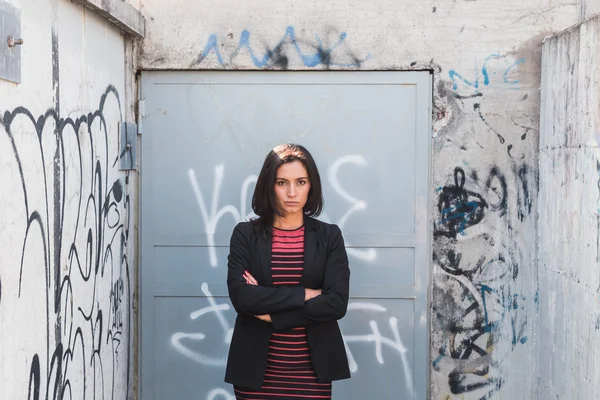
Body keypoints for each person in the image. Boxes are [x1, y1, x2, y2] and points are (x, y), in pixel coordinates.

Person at [224, 143, 351, 399]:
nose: (292, 192)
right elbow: (242, 297)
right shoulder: (245, 235)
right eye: (282, 182)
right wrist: (306, 294)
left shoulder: (329, 236)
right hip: (256, 372)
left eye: (300, 182)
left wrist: (274, 316)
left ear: (311, 185)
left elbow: (336, 303)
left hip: (312, 372)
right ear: (269, 186)